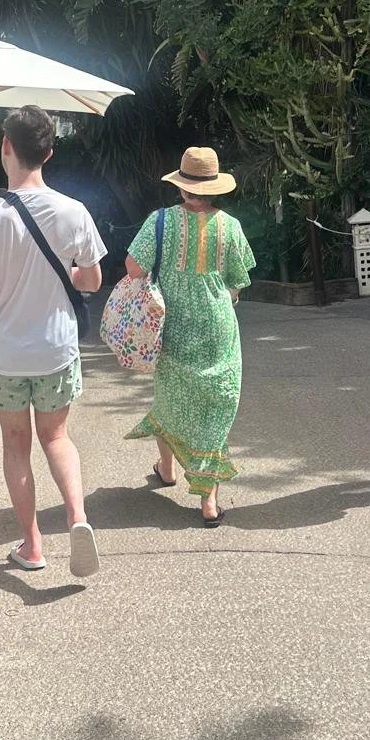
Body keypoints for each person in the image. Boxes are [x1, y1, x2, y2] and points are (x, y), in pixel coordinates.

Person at [0, 106, 107, 576]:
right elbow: (91, 281)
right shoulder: (74, 211)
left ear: (6, 146)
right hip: (55, 349)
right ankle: (78, 519)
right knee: (57, 437)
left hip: (3, 354)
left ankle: (33, 545)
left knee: (16, 445)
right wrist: (65, 271)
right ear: (49, 152)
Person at [123, 147, 256, 525]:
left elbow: (133, 268)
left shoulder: (160, 221)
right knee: (216, 406)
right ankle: (208, 502)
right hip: (218, 329)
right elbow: (238, 282)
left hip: (173, 326)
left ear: (181, 186)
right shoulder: (230, 226)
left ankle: (167, 469)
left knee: (169, 397)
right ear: (214, 187)